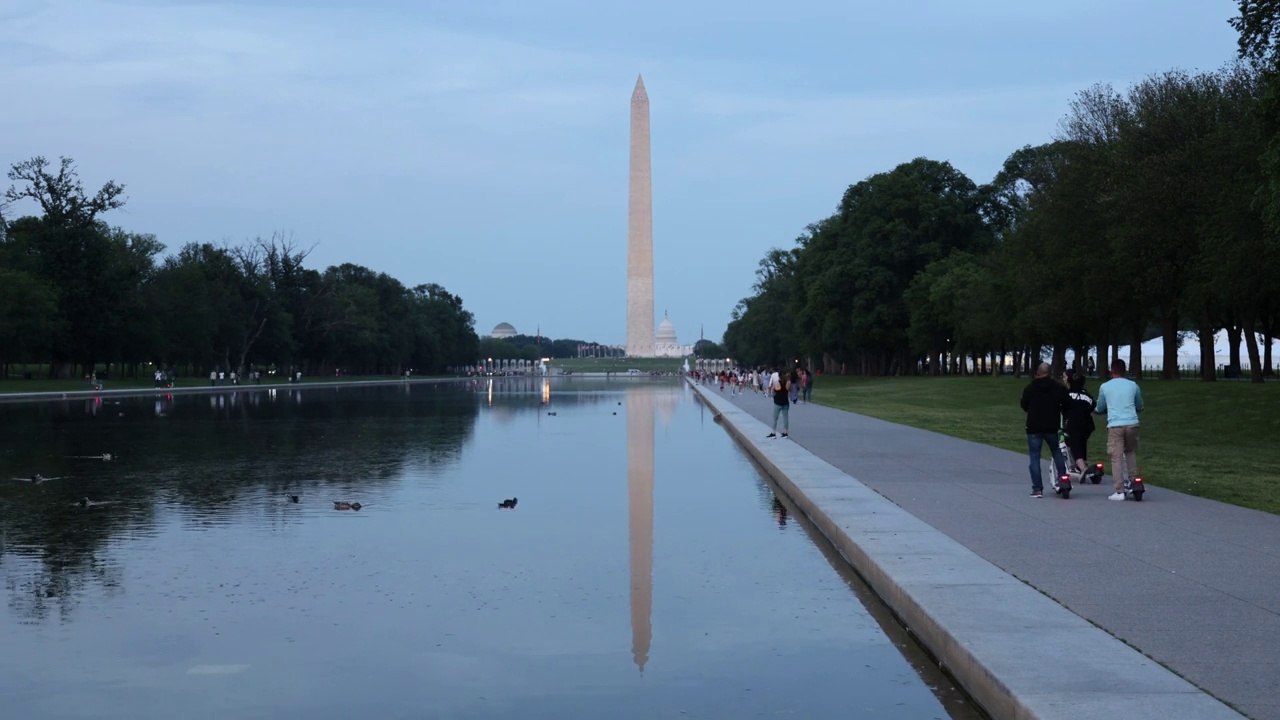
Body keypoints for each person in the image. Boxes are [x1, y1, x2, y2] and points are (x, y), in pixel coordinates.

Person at [1094, 358, 1144, 501]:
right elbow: (1139, 404)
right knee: (1130, 452)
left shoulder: (1105, 386)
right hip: (1132, 423)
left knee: (1116, 457)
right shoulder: (1133, 385)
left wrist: (1098, 410)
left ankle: (1119, 490)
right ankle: (1135, 483)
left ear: (1112, 371)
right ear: (1125, 371)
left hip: (1115, 424)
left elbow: (1100, 406)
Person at [1020, 362, 1069, 497]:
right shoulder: (1059, 388)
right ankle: (1063, 482)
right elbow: (1067, 404)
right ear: (1050, 373)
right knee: (1057, 453)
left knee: (1034, 457)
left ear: (1038, 373)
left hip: (1034, 426)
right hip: (1052, 426)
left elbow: (1024, 405)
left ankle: (1037, 489)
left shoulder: (1030, 388)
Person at [1062, 369, 1096, 474]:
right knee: (1082, 443)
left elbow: (1062, 408)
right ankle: (1083, 463)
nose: (1063, 379)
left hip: (1073, 423)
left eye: (1064, 377)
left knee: (1074, 444)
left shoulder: (1067, 395)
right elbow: (1093, 406)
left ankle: (1082, 467)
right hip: (1087, 425)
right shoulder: (1087, 395)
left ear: (1068, 379)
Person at [766, 366, 791, 439]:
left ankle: (773, 433)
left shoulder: (778, 383)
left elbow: (774, 391)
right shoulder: (787, 383)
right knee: (785, 418)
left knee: (775, 418)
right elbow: (789, 390)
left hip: (778, 402)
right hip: (785, 402)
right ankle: (785, 432)